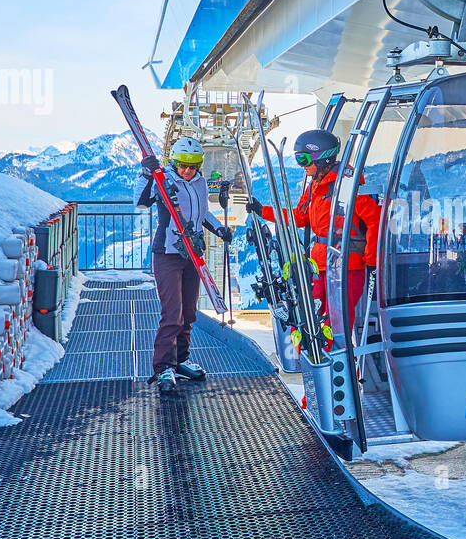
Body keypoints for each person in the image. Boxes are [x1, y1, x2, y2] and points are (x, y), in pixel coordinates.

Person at [247, 129, 381, 334]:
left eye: (304, 159)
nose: (302, 166)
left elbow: (375, 221)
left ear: (322, 158)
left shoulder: (347, 184)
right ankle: (315, 360)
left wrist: (372, 262)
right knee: (312, 316)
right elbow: (299, 217)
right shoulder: (314, 186)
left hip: (347, 265)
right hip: (319, 264)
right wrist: (262, 210)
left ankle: (337, 362)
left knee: (337, 322)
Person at [137, 136, 232, 393]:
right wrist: (147, 174)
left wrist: (220, 229)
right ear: (174, 162)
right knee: (173, 313)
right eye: (182, 165)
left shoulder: (199, 183)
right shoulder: (164, 179)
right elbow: (141, 201)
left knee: (189, 312)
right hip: (168, 253)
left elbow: (202, 214)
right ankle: (164, 366)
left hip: (192, 252)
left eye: (192, 165)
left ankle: (181, 360)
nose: (187, 171)